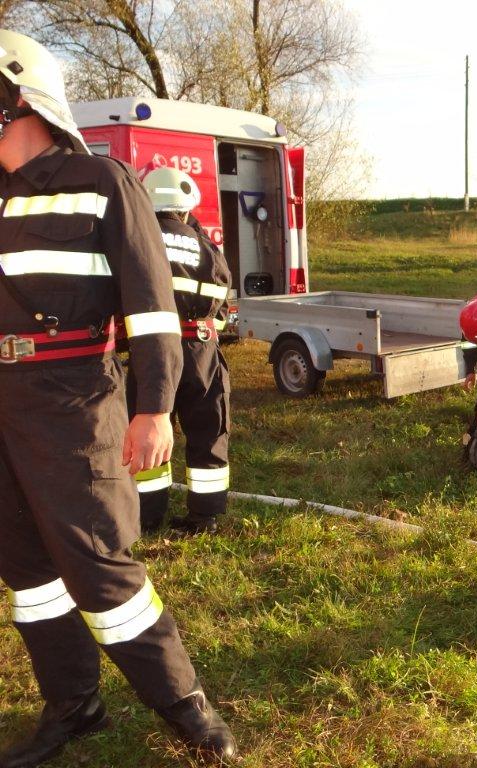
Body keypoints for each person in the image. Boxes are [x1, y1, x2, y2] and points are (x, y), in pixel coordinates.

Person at [0, 30, 237, 765]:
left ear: (19, 97)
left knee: (97, 561)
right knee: (26, 569)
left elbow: (153, 305)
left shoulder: (103, 181)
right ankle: (74, 704)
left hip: (71, 401)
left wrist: (155, 405)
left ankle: (186, 708)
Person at [129, 167, 232, 535]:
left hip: (154, 353)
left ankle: (147, 516)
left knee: (149, 434)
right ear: (186, 208)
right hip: (202, 351)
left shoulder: (139, 240)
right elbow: (221, 302)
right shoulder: (207, 247)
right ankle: (205, 517)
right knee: (208, 432)